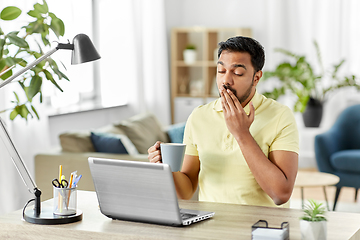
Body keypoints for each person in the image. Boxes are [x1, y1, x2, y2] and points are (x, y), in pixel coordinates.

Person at [148, 36, 299, 208]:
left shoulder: (280, 116)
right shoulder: (199, 116)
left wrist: (242, 134)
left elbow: (281, 194)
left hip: (261, 229)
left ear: (256, 78)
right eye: (221, 71)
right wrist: (166, 167)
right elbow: (186, 191)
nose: (226, 80)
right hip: (211, 226)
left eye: (237, 72)